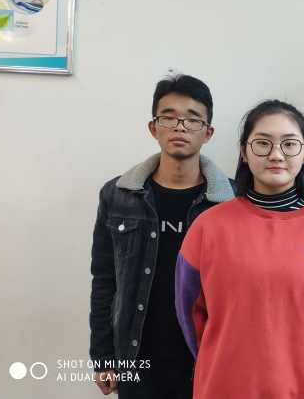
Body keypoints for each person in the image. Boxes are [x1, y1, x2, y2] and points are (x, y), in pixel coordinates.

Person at [175, 100, 304, 399]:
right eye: (262, 143)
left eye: (290, 144)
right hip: (224, 386)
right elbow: (190, 316)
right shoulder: (208, 227)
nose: (276, 154)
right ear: (243, 152)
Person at [89, 74, 235, 398]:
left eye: (192, 119)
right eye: (169, 117)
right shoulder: (118, 196)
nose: (180, 127)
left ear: (208, 132)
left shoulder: (232, 202)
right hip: (137, 356)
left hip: (208, 358)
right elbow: (104, 280)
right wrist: (103, 356)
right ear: (153, 128)